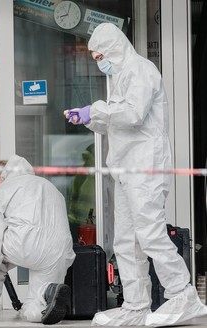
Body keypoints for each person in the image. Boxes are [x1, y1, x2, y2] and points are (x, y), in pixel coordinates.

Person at [65, 23, 207, 326]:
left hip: (146, 167)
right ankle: (135, 305)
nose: (98, 61)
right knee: (126, 241)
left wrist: (97, 110)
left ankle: (183, 295)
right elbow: (116, 122)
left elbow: (133, 114)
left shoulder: (141, 70)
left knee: (151, 235)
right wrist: (89, 118)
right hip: (127, 170)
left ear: (114, 47)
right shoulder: (119, 77)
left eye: (99, 54)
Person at [0, 155, 75, 325]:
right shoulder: (50, 186)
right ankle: (46, 293)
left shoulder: (2, 191)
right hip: (59, 252)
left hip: (25, 245)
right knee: (36, 309)